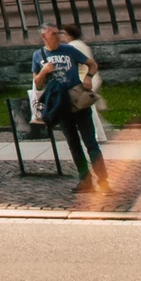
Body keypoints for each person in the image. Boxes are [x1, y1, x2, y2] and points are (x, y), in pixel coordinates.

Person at [32, 24, 105, 192]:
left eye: (58, 33)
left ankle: (103, 180)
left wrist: (88, 77)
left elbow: (92, 64)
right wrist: (43, 71)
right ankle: (85, 180)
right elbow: (37, 82)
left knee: (91, 143)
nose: (58, 36)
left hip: (78, 101)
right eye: (53, 34)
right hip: (60, 105)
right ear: (44, 37)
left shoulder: (69, 50)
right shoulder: (38, 55)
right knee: (73, 144)